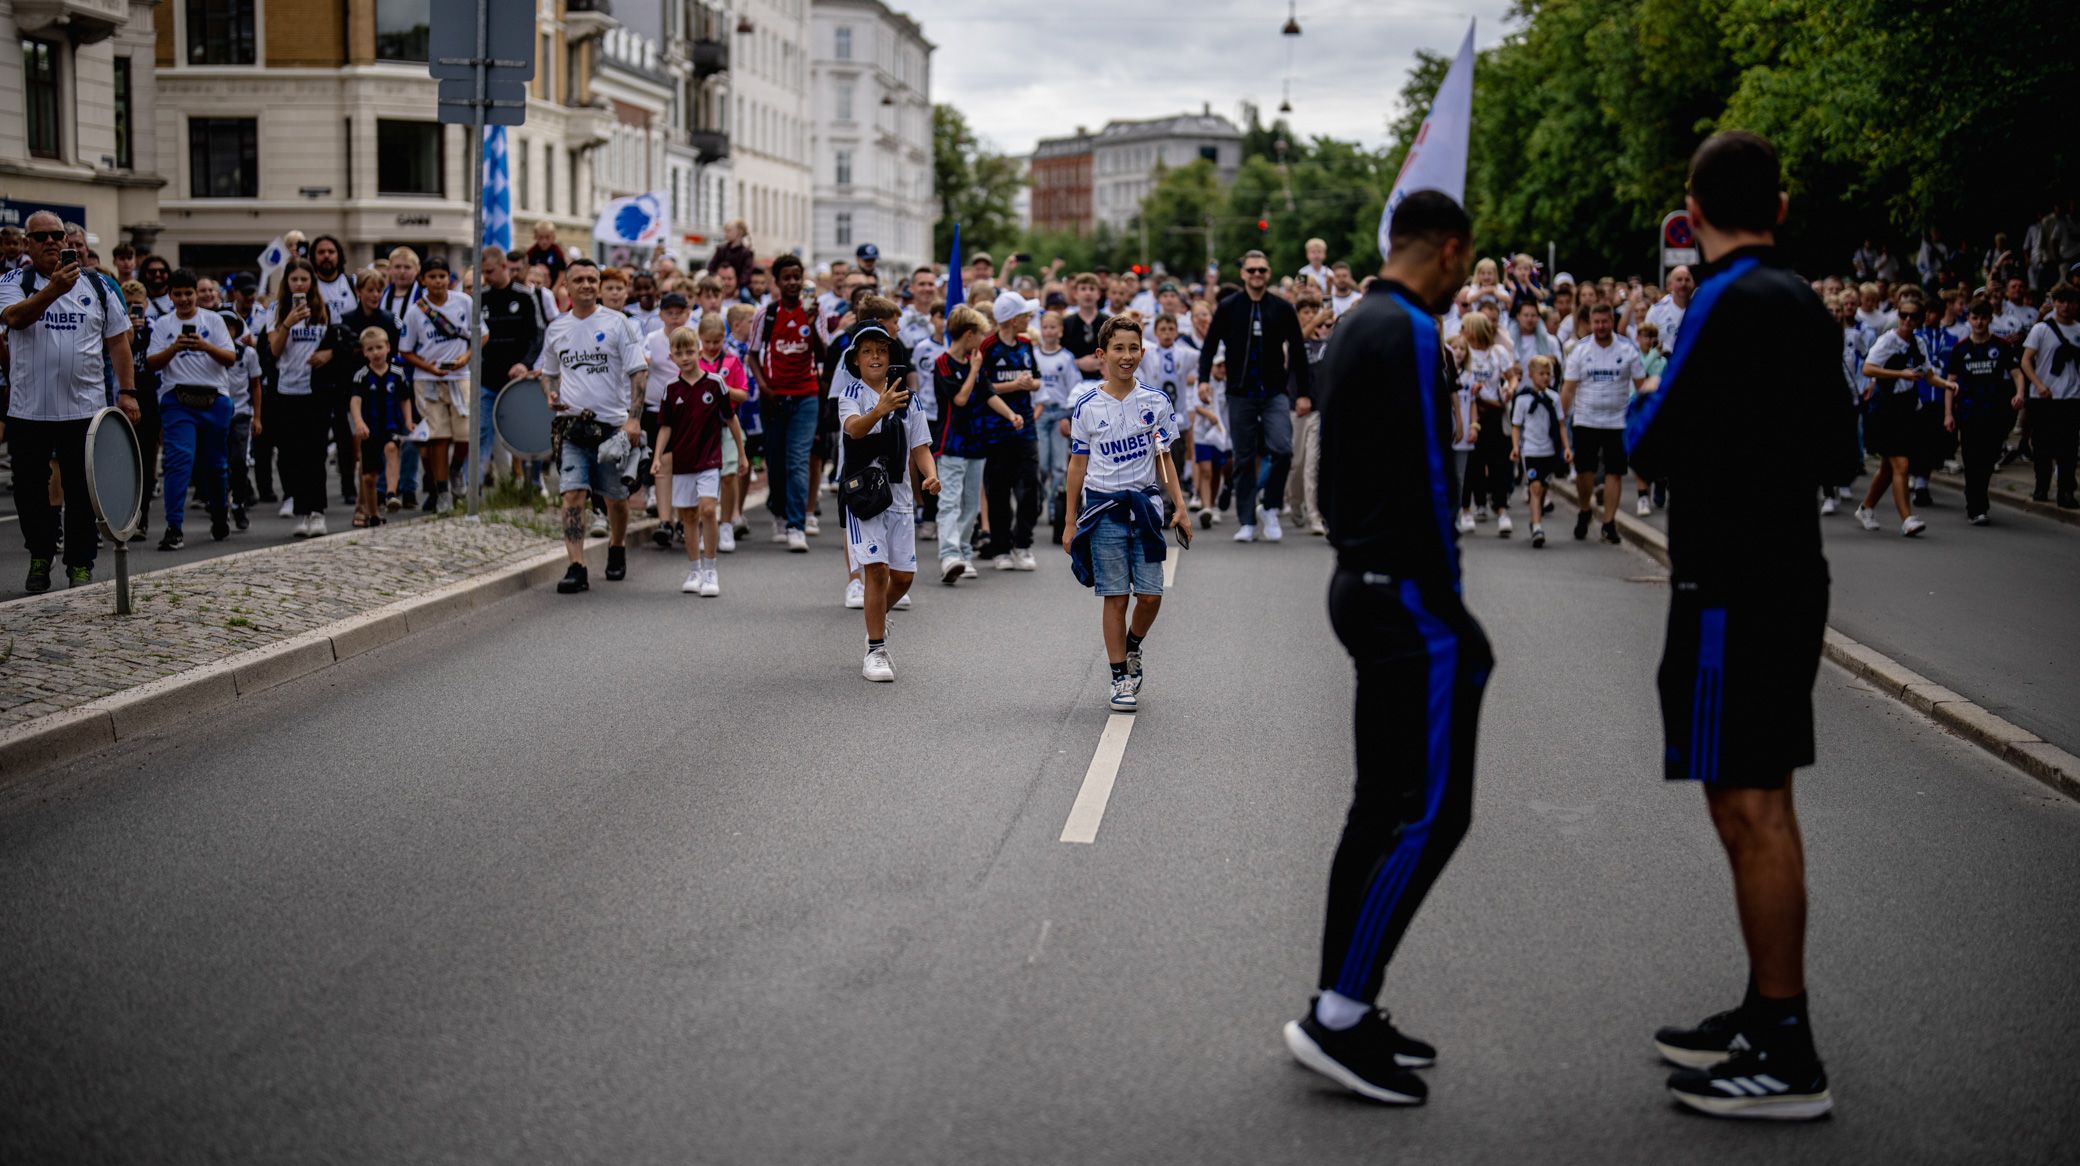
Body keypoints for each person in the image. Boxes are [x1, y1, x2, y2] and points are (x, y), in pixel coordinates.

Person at [1626, 129, 1855, 1121]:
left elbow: (1652, 438)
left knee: (1748, 803)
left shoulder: (1720, 299)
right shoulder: (1800, 298)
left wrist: (1651, 407)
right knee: (1759, 795)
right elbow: (1840, 452)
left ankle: (1786, 1048)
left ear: (1690, 209)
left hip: (1729, 585)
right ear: (1782, 206)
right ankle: (1767, 1010)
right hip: (1786, 571)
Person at [1284, 190, 1487, 1107]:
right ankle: (1337, 1013)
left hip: (1360, 579)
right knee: (1430, 814)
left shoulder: (1359, 320)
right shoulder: (1403, 328)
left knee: (1378, 810)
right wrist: (1450, 603)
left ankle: (1345, 1005)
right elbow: (1433, 471)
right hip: (1404, 592)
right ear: (1449, 251)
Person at [0, 211, 138, 590]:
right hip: (30, 409)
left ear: (67, 240)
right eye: (41, 237)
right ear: (27, 244)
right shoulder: (16, 281)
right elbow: (14, 318)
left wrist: (127, 393)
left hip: (84, 410)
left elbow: (118, 344)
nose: (50, 242)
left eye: (56, 235)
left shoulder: (98, 285)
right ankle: (41, 556)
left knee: (83, 491)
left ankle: (81, 563)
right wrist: (53, 290)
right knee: (30, 490)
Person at [1061, 315, 1190, 711]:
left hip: (1146, 509)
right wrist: (1069, 522)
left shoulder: (1156, 402)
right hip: (1103, 512)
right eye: (1118, 348)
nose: (1126, 355)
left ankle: (1133, 644)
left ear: (1143, 352)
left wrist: (1180, 506)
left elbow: (1165, 458)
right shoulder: (1086, 406)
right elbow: (1076, 467)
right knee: (1115, 597)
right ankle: (1119, 677)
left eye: (1133, 348)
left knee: (1150, 596)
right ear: (1102, 354)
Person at [835, 324, 938, 681]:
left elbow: (920, 445)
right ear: (856, 361)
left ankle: (874, 620)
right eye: (867, 351)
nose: (875, 357)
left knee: (904, 577)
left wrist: (929, 474)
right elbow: (855, 429)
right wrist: (879, 409)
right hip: (864, 495)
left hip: (900, 495)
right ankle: (876, 649)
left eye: (881, 350)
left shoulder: (911, 399)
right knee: (876, 570)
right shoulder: (849, 393)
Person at [537, 258, 646, 593]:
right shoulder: (557, 328)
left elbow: (638, 372)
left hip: (611, 428)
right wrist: (550, 394)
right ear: (566, 287)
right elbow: (548, 372)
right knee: (572, 494)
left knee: (616, 498)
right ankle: (576, 566)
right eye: (579, 280)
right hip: (571, 427)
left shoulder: (618, 324)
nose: (586, 285)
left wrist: (633, 419)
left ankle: (616, 547)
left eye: (591, 279)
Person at [1198, 249, 1312, 542]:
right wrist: (1203, 380)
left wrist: (1304, 394)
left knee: (1283, 449)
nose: (1257, 275)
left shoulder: (1282, 308)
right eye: (1252, 270)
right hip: (1240, 392)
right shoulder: (1229, 307)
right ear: (1243, 274)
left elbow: (1298, 352)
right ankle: (1247, 520)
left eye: (1262, 270)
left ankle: (1270, 507)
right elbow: (1210, 345)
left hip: (1275, 391)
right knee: (1244, 458)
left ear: (1269, 273)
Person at [145, 269, 239, 549]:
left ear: (197, 294)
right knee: (178, 463)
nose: (184, 299)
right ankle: (174, 527)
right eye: (178, 294)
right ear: (170, 295)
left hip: (215, 398)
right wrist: (174, 348)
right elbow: (152, 363)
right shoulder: (163, 324)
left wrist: (204, 346)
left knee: (216, 465)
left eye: (189, 293)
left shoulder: (213, 321)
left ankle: (220, 514)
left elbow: (230, 357)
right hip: (178, 399)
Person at [931, 306, 1019, 583]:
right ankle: (949, 554)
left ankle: (964, 553)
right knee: (949, 502)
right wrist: (974, 370)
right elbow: (960, 398)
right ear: (968, 335)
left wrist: (1010, 415)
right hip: (952, 444)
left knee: (971, 503)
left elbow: (988, 394)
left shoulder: (975, 361)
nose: (982, 341)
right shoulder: (943, 363)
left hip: (976, 444)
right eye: (980, 335)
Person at [655, 324, 741, 596]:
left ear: (699, 351)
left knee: (706, 509)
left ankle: (711, 569)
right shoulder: (670, 389)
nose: (685, 357)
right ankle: (694, 569)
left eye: (690, 351)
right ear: (671, 357)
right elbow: (665, 426)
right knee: (689, 515)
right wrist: (658, 457)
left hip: (709, 458)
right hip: (682, 461)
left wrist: (741, 452)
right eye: (678, 353)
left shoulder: (715, 383)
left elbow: (731, 418)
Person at [748, 254, 825, 551]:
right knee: (777, 462)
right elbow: (752, 355)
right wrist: (764, 387)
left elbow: (823, 355)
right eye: (786, 278)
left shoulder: (814, 313)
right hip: (775, 398)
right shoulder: (765, 314)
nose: (792, 283)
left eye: (797, 277)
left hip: (806, 395)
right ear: (777, 283)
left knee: (797, 460)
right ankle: (778, 510)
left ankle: (796, 525)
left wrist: (812, 323)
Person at [1857, 297, 1947, 536]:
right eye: (1903, 315)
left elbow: (1928, 375)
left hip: (1906, 410)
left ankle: (1866, 508)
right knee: (1901, 464)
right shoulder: (1887, 340)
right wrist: (1899, 374)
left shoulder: (1919, 343)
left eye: (1913, 316)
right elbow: (1868, 368)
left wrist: (1948, 385)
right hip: (1886, 409)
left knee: (1888, 467)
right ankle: (1907, 519)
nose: (1907, 320)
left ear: (1921, 319)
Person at [1561, 303, 1648, 545]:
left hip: (1617, 421)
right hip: (1585, 419)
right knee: (1584, 471)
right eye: (1596, 322)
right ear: (1590, 322)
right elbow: (1568, 390)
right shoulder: (1580, 350)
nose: (1600, 327)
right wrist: (1559, 422)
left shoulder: (1627, 348)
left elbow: (1642, 387)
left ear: (1612, 321)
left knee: (1614, 472)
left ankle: (1609, 522)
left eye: (1605, 322)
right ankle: (1585, 510)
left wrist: (1643, 418)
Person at [268, 259, 340, 537]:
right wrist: (287, 323)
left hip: (316, 391)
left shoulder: (325, 310)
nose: (299, 284)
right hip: (287, 391)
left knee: (316, 453)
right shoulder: (276, 310)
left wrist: (329, 354)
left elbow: (340, 343)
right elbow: (273, 351)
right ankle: (301, 510)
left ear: (312, 282)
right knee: (292, 455)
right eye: (294, 279)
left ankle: (317, 511)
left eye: (304, 279)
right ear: (287, 282)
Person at [400, 256, 475, 513]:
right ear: (423, 280)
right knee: (438, 437)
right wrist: (429, 367)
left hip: (460, 376)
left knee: (465, 435)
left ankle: (456, 470)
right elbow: (406, 350)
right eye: (432, 277)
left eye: (442, 276)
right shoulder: (415, 312)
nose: (437, 281)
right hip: (428, 380)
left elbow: (480, 336)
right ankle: (442, 490)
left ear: (449, 278)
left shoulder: (464, 302)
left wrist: (464, 358)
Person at [976, 291, 1043, 571]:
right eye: (1025, 315)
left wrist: (1030, 385)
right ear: (1012, 319)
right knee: (999, 490)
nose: (1029, 318)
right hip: (995, 430)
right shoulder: (988, 347)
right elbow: (983, 386)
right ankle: (1001, 547)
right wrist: (1014, 386)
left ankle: (1023, 544)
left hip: (1026, 427)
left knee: (1030, 488)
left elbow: (1038, 381)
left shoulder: (1026, 345)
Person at [1945, 297, 2025, 524]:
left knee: (1988, 460)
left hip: (1995, 411)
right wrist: (1948, 414)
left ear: (1990, 319)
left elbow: (2017, 372)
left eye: (1983, 318)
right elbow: (1950, 383)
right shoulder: (1961, 349)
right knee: (1971, 459)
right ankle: (1976, 505)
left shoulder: (2001, 346)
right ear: (1969, 319)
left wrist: (2019, 393)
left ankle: (1980, 497)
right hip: (1969, 413)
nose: (1979, 323)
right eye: (1974, 318)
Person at [2019, 283, 2080, 508]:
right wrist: (2038, 384)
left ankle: (2065, 491)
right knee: (2043, 445)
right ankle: (2041, 486)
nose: (2065, 306)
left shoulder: (2078, 330)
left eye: (2070, 302)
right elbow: (2026, 360)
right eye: (2060, 301)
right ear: (2054, 303)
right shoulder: (2042, 329)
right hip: (2044, 397)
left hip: (2071, 397)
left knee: (2069, 448)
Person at [348, 326, 414, 523]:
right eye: (370, 349)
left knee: (392, 449)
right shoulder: (361, 376)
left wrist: (408, 421)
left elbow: (405, 399)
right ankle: (373, 512)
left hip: (390, 426)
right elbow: (355, 401)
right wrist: (359, 422)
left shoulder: (397, 373)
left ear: (388, 348)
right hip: (370, 430)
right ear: (364, 352)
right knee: (369, 477)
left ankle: (391, 493)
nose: (375, 353)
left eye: (379, 347)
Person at [1512, 354, 1572, 547]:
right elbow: (1516, 426)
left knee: (1543, 487)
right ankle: (1537, 526)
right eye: (1541, 374)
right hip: (1530, 450)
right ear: (1531, 375)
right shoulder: (1522, 399)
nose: (1546, 377)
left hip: (1549, 450)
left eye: (1549, 374)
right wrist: (1515, 447)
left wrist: (1566, 447)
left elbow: (1562, 425)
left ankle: (1535, 518)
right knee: (1535, 487)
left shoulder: (1554, 398)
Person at [1033, 310, 1081, 544]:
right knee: (1041, 465)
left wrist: (1069, 416)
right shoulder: (1034, 356)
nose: (1049, 331)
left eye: (1054, 327)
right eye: (1046, 327)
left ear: (1060, 331)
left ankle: (1055, 509)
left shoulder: (1066, 358)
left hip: (1060, 413)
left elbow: (1074, 388)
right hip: (1041, 414)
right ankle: (1040, 497)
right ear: (1040, 330)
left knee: (1059, 466)